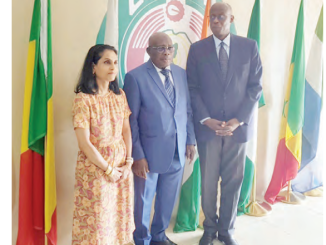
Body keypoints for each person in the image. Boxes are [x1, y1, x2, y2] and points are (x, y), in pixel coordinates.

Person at [186, 3, 263, 245]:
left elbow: (255, 87)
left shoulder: (249, 47)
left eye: (221, 16)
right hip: (208, 130)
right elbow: (193, 88)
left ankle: (226, 230)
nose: (216, 20)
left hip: (236, 131)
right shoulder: (197, 49)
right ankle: (209, 229)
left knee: (233, 182)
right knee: (208, 184)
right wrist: (206, 120)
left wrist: (238, 120)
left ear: (231, 18)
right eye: (213, 16)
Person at [123, 32, 196, 245]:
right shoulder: (135, 77)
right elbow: (131, 120)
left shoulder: (181, 74)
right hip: (148, 154)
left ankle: (159, 236)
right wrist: (138, 155)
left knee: (167, 199)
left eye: (169, 48)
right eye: (160, 48)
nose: (166, 52)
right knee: (144, 202)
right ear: (148, 51)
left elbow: (187, 110)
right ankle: (142, 240)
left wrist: (190, 139)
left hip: (177, 150)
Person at [71, 44, 134, 245]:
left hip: (121, 169)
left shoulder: (119, 95)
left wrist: (128, 163)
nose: (113, 67)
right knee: (97, 225)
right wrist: (108, 170)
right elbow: (84, 143)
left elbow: (126, 131)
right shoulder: (83, 100)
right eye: (106, 62)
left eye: (115, 62)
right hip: (96, 172)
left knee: (118, 221)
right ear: (93, 67)